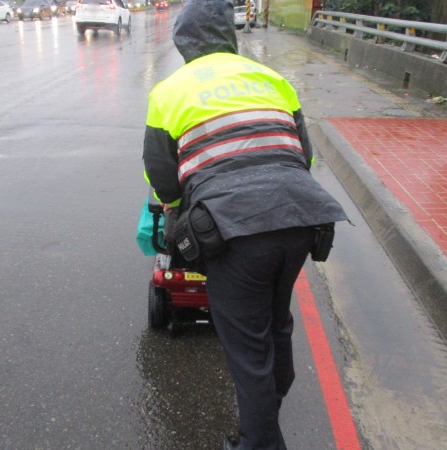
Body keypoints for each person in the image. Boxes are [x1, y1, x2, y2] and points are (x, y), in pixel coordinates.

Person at [142, 0, 347, 448]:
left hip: (232, 230)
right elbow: (303, 156)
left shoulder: (168, 92)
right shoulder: (272, 79)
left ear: (184, 41)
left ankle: (258, 442)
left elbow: (161, 177)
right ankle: (264, 417)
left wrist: (180, 210)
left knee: (249, 350)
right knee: (276, 324)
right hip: (299, 217)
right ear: (229, 36)